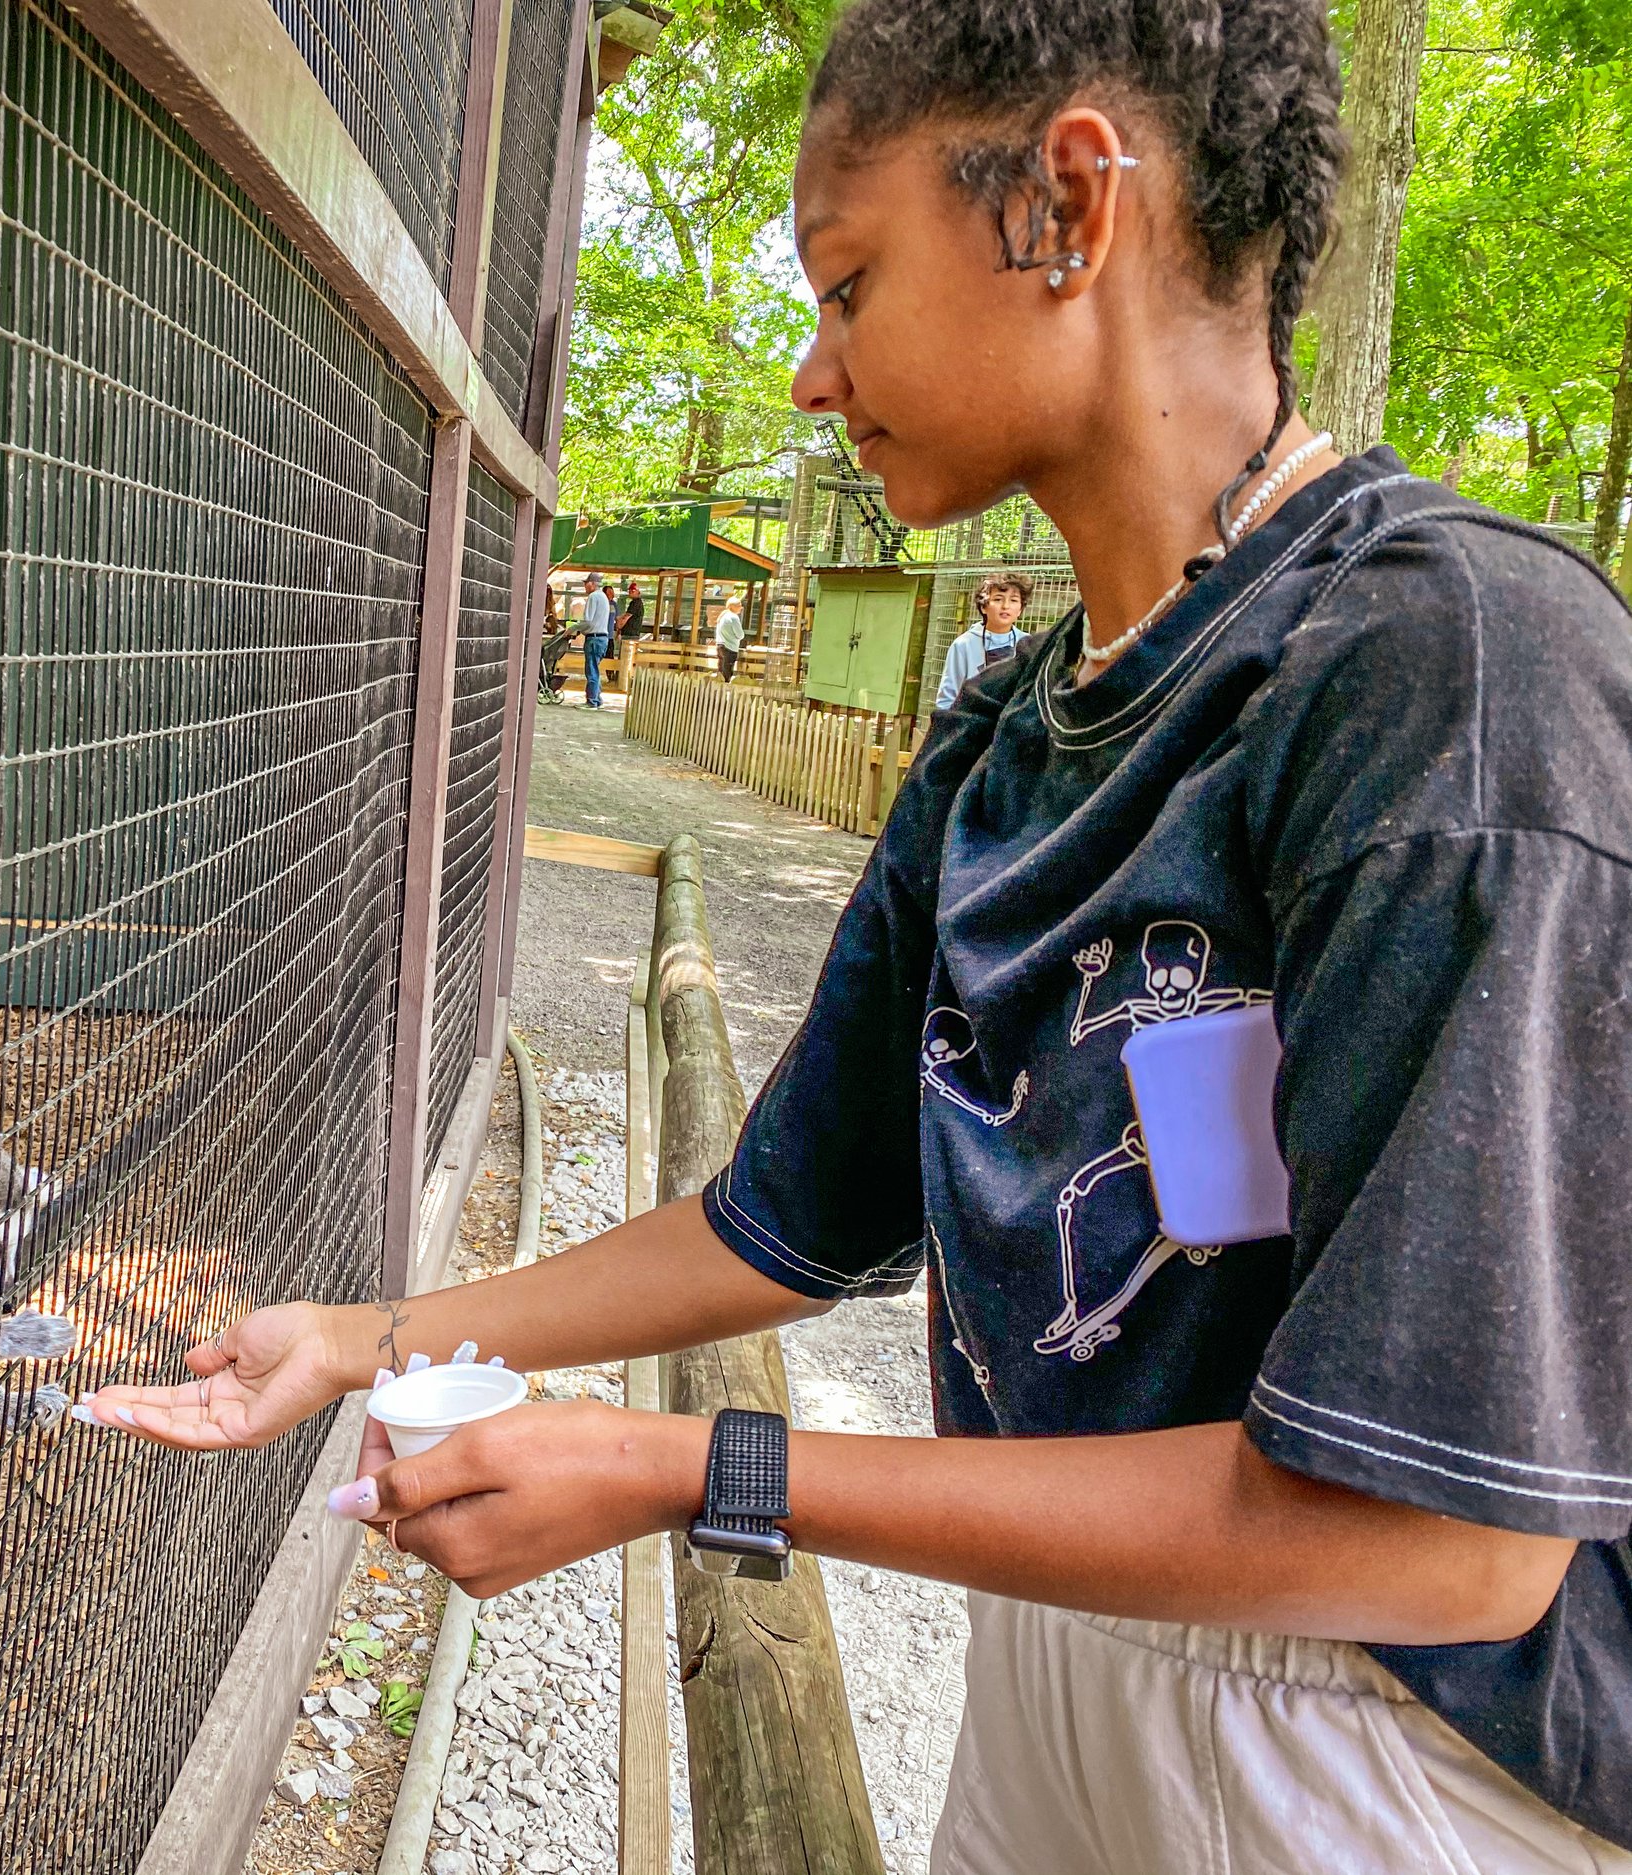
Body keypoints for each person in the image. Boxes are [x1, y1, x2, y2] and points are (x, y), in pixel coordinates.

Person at [81, 1, 1632, 1868]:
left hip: (1398, 1761)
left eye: (847, 282)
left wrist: (690, 1468)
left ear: (1067, 205)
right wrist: (354, 1335)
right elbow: (782, 1220)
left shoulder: (1451, 679)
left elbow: (1443, 1538)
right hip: (1060, 1661)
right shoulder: (1000, 742)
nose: (816, 374)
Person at [931, 571, 1033, 710]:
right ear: (984, 606)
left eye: (1013, 600)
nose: (1006, 606)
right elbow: (947, 699)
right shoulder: (964, 645)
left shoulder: (1028, 645)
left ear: (1020, 609)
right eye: (998, 599)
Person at [579, 577, 613, 709]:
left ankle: (591, 701)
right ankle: (597, 699)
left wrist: (575, 628)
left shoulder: (593, 596)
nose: (585, 586)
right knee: (596, 669)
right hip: (603, 638)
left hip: (593, 638)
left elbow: (588, 620)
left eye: (586, 583)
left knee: (591, 670)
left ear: (592, 584)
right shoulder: (603, 597)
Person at [714, 598, 746, 680]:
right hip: (730, 647)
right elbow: (740, 635)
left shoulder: (722, 616)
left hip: (720, 645)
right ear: (732, 606)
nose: (741, 607)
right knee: (727, 672)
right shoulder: (734, 617)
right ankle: (725, 689)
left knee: (721, 670)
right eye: (738, 605)